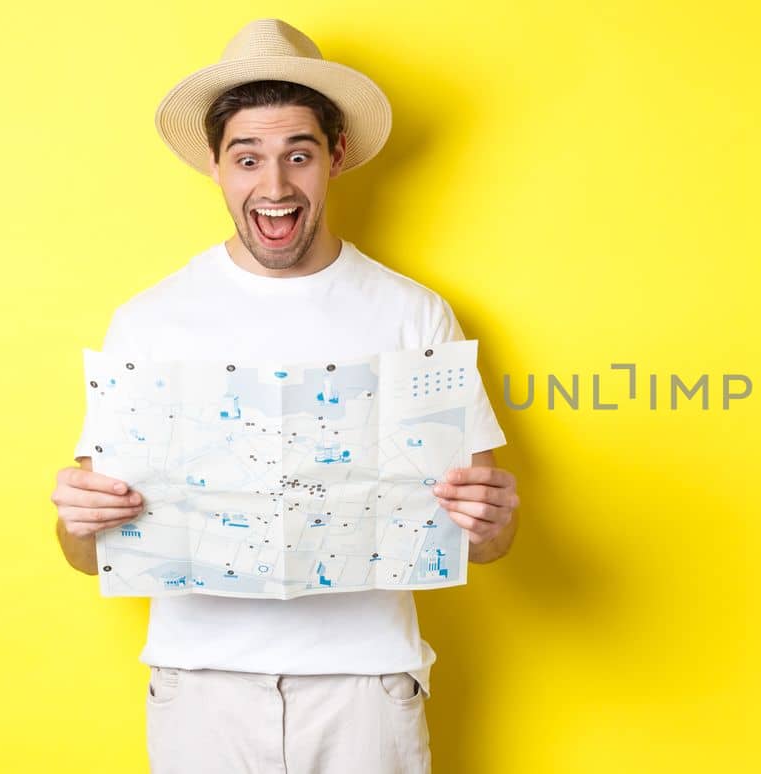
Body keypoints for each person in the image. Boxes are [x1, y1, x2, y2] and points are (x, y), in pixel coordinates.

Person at [48, 19, 521, 774]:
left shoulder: (413, 314)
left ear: (335, 156)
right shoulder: (148, 321)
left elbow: (486, 542)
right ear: (215, 165)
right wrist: (78, 522)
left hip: (366, 686)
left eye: (298, 155)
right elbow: (85, 554)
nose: (274, 188)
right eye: (248, 159)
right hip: (198, 687)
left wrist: (493, 520)